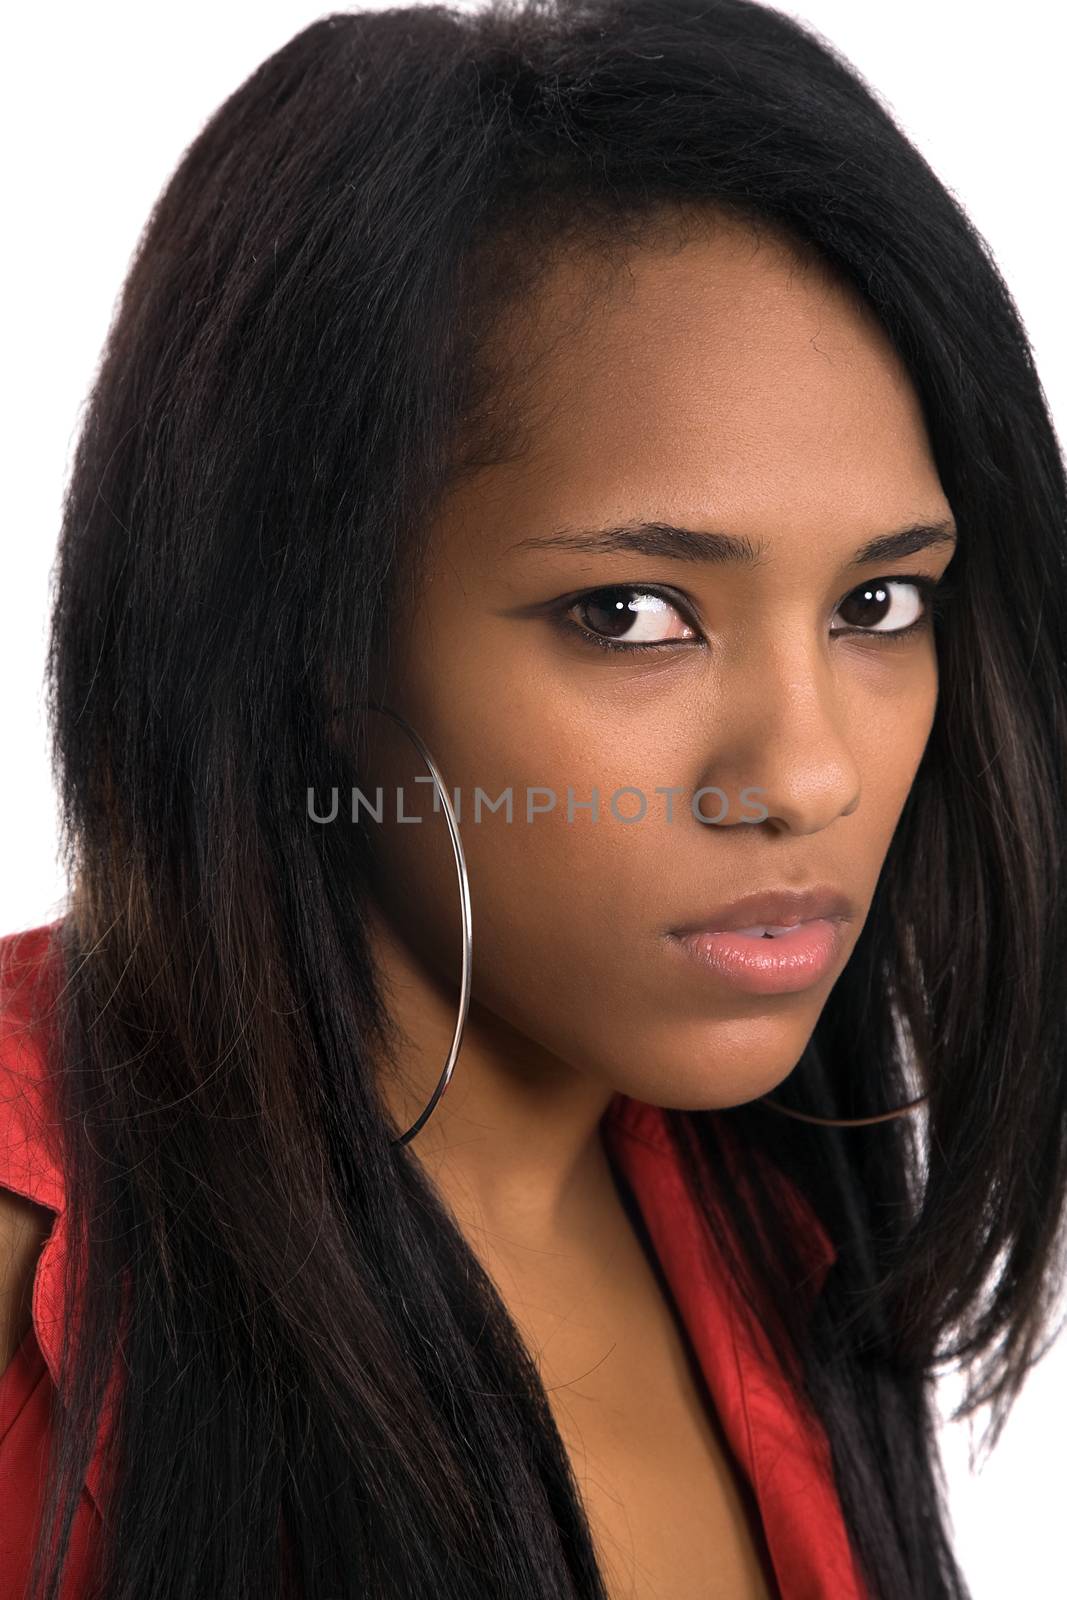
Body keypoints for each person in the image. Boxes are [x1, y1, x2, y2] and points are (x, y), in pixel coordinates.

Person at [2, 1, 1065, 1597]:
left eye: (880, 606)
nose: (810, 776)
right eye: (630, 612)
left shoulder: (764, 1209)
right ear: (311, 637)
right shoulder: (41, 1259)